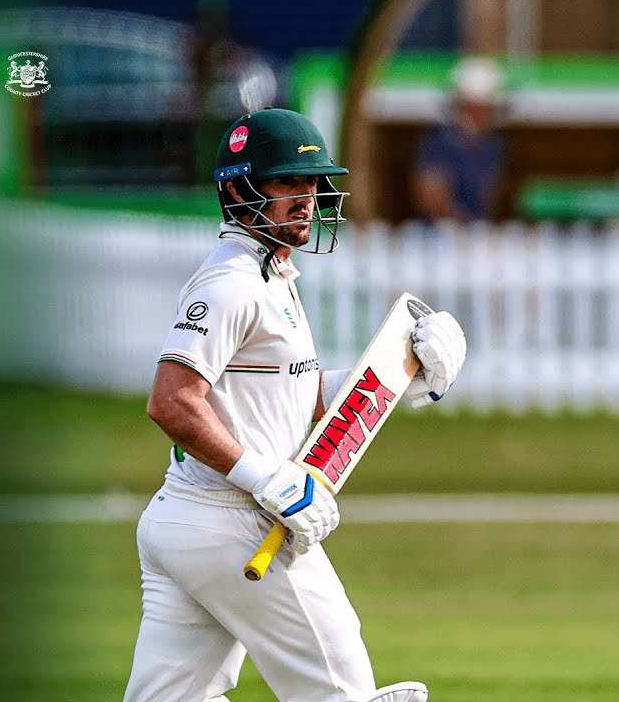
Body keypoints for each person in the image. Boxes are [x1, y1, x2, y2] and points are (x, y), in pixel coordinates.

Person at [123, 108, 467, 702]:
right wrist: (264, 478)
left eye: (313, 183)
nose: (307, 199)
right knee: (340, 694)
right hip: (236, 523)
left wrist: (406, 376)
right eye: (287, 183)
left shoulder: (272, 274)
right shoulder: (232, 281)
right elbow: (173, 401)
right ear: (238, 189)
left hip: (185, 523)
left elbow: (298, 395)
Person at [411, 57, 506, 221]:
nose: (491, 114)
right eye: (488, 107)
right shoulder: (439, 143)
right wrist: (466, 226)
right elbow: (431, 200)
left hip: (477, 236)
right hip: (440, 238)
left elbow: (491, 197)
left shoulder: (492, 145)